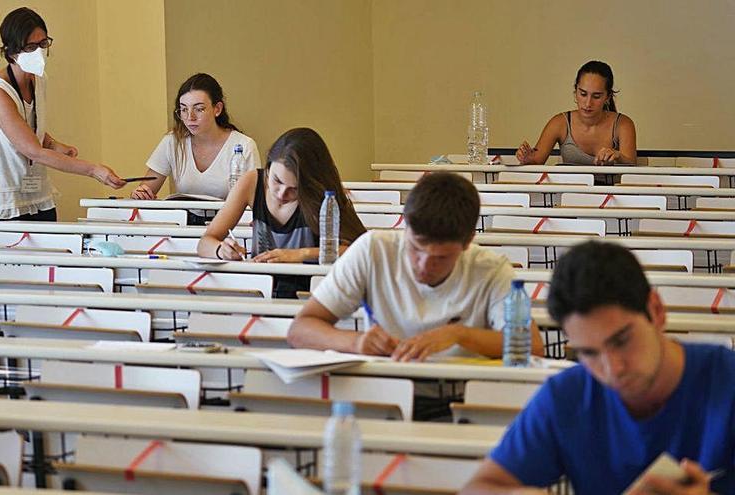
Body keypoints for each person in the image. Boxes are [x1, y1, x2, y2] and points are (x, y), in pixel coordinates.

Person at [461, 241, 735, 495]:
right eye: (589, 353)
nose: (612, 368)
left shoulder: (727, 380)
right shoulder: (569, 395)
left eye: (623, 340)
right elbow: (478, 487)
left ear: (656, 311)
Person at [287, 171, 543, 362]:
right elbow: (300, 329)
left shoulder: (491, 270)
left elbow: (532, 345)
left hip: (463, 393)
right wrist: (356, 342)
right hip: (387, 388)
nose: (423, 265)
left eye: (440, 258)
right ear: (405, 227)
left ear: (467, 244)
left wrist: (458, 335)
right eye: (415, 248)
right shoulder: (373, 249)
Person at [0, 7, 125, 222]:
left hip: (37, 194)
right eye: (31, 47)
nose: (39, 53)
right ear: (11, 51)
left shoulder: (39, 79)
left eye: (43, 44)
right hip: (3, 203)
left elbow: (27, 126)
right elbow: (33, 151)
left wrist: (53, 144)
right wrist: (94, 170)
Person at [197, 128, 365, 296]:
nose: (282, 193)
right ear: (268, 167)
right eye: (277, 180)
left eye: (294, 189)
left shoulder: (323, 194)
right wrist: (221, 250)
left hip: (311, 296)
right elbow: (205, 243)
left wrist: (301, 254)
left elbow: (361, 249)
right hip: (259, 292)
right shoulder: (251, 182)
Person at [131, 73, 260, 224]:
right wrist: (141, 194)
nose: (190, 117)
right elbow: (147, 188)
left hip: (229, 227)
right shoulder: (173, 141)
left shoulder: (244, 145)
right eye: (183, 110)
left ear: (217, 109)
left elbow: (255, 203)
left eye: (199, 109)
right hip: (183, 225)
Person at [515, 61, 637, 166]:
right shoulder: (560, 123)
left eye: (596, 96)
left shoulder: (623, 124)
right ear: (575, 91)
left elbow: (632, 167)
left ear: (608, 97)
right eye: (583, 94)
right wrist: (526, 158)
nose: (588, 103)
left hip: (611, 193)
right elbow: (536, 161)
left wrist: (617, 156)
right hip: (569, 192)